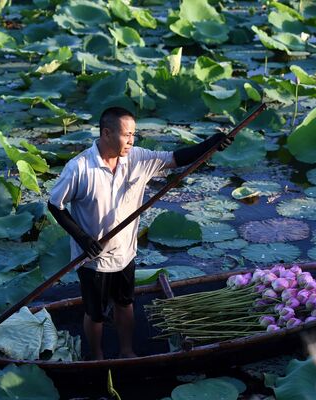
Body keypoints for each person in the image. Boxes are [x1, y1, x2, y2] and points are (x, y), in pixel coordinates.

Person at [48, 107, 232, 360]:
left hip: (125, 253)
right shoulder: (79, 168)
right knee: (96, 312)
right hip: (92, 258)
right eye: (126, 135)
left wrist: (211, 144)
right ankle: (98, 357)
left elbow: (176, 157)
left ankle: (126, 350)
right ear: (107, 133)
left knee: (125, 303)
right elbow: (54, 205)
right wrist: (82, 238)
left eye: (134, 134)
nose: (132, 140)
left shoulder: (138, 158)